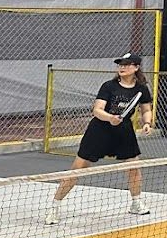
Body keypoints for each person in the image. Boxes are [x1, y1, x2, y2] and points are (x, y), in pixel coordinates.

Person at [46, 52, 154, 225]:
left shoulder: (141, 89)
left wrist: (147, 123)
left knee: (134, 168)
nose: (122, 67)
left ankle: (136, 202)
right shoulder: (108, 86)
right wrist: (110, 118)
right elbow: (97, 110)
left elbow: (146, 109)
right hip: (100, 131)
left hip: (124, 132)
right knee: (77, 169)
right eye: (120, 64)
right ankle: (55, 207)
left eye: (126, 64)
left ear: (136, 67)